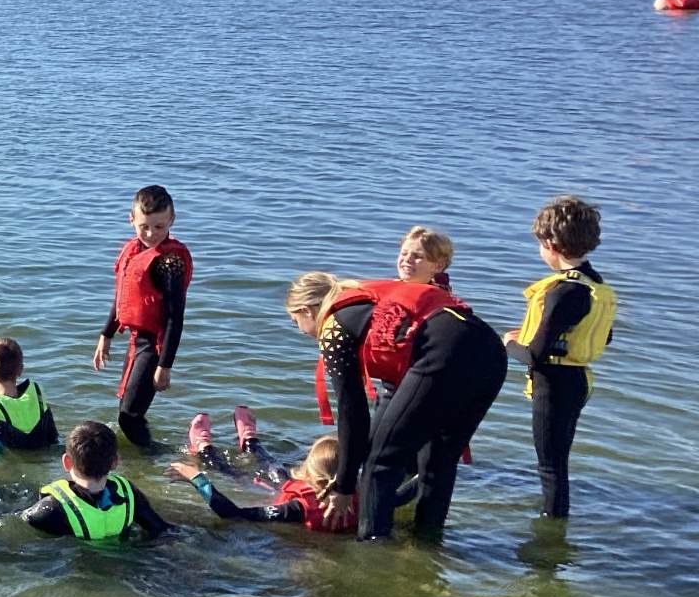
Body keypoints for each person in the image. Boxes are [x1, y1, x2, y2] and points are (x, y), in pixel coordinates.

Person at [288, 270, 505, 540]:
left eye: (295, 321)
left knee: (380, 462)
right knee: (438, 461)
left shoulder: (333, 328)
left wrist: (344, 487)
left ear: (307, 311)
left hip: (444, 352)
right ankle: (427, 545)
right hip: (490, 351)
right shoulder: (367, 300)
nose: (302, 331)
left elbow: (352, 412)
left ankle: (371, 550)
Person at [503, 196, 618, 519]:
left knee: (550, 467)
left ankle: (551, 528)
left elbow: (534, 356)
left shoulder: (562, 291)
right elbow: (603, 336)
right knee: (558, 462)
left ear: (550, 245)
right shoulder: (595, 285)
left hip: (552, 385)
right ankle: (556, 516)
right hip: (578, 380)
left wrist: (506, 343)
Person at [0, 420, 171, 540]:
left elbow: (1, 521)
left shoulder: (52, 508)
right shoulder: (127, 494)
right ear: (115, 462)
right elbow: (161, 529)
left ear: (67, 462)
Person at [92, 185, 191, 448]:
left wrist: (164, 366)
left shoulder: (170, 262)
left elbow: (175, 318)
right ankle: (142, 456)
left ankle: (155, 457)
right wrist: (106, 334)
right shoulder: (133, 251)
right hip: (137, 340)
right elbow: (123, 297)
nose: (151, 234)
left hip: (155, 345)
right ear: (132, 219)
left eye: (159, 227)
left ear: (172, 220)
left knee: (129, 416)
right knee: (126, 408)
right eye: (144, 226)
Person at [170, 432, 403, 534]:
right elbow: (406, 492)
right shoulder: (368, 499)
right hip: (295, 489)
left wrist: (197, 478)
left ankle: (207, 449)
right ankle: (249, 441)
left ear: (311, 470)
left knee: (243, 475)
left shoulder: (297, 509)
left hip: (285, 490)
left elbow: (233, 514)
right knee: (274, 471)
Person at [396, 225, 455, 291]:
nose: (407, 259)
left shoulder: (438, 295)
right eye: (404, 254)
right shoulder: (390, 287)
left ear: (438, 266)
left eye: (417, 256)